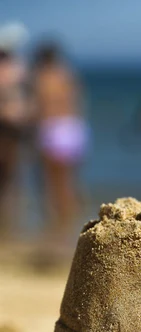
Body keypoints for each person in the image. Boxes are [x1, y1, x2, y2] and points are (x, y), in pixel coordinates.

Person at [32, 42, 88, 237]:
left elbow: (40, 107)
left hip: (53, 129)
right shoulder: (67, 74)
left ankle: (59, 229)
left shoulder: (42, 77)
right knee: (70, 182)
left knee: (53, 183)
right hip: (74, 128)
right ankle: (70, 226)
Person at [0, 46, 29, 233]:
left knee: (11, 178)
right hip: (9, 129)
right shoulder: (16, 72)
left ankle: (9, 223)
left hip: (13, 132)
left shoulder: (15, 73)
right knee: (9, 178)